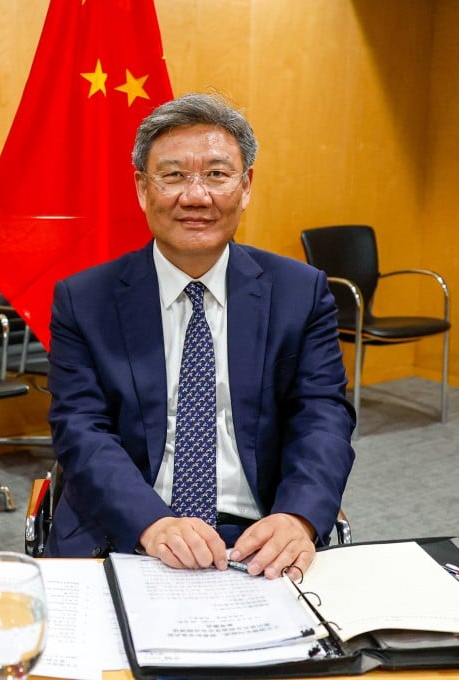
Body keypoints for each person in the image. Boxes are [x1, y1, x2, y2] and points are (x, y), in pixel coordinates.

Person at [45, 92, 355, 579]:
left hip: (260, 533)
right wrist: (152, 522)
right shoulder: (85, 300)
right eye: (172, 175)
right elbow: (81, 430)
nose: (195, 196)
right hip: (126, 529)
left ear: (246, 185)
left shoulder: (301, 291)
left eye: (216, 174)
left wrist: (297, 516)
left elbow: (322, 416)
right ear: (143, 189)